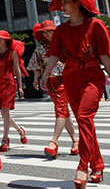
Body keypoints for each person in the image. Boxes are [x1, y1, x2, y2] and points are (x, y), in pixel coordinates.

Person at [41, 0, 110, 189]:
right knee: (86, 124)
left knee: (84, 117)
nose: (62, 6)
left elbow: (104, 55)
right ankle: (98, 165)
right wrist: (45, 74)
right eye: (62, 3)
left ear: (77, 4)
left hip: (92, 77)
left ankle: (82, 166)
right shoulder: (61, 30)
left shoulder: (96, 25)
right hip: (71, 78)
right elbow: (54, 56)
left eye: (66, 2)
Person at [28, 20, 78, 158]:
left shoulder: (63, 44)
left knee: (60, 110)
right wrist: (35, 78)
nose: (47, 33)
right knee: (64, 112)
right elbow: (37, 65)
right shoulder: (40, 48)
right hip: (48, 82)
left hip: (64, 79)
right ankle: (75, 140)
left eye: (49, 30)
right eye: (44, 31)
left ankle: (54, 142)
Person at [0, 31, 27, 152]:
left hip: (9, 84)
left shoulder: (12, 53)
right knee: (4, 115)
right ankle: (20, 130)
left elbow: (17, 70)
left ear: (6, 40)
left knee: (6, 112)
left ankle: (5, 139)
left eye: (1, 38)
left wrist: (20, 86)